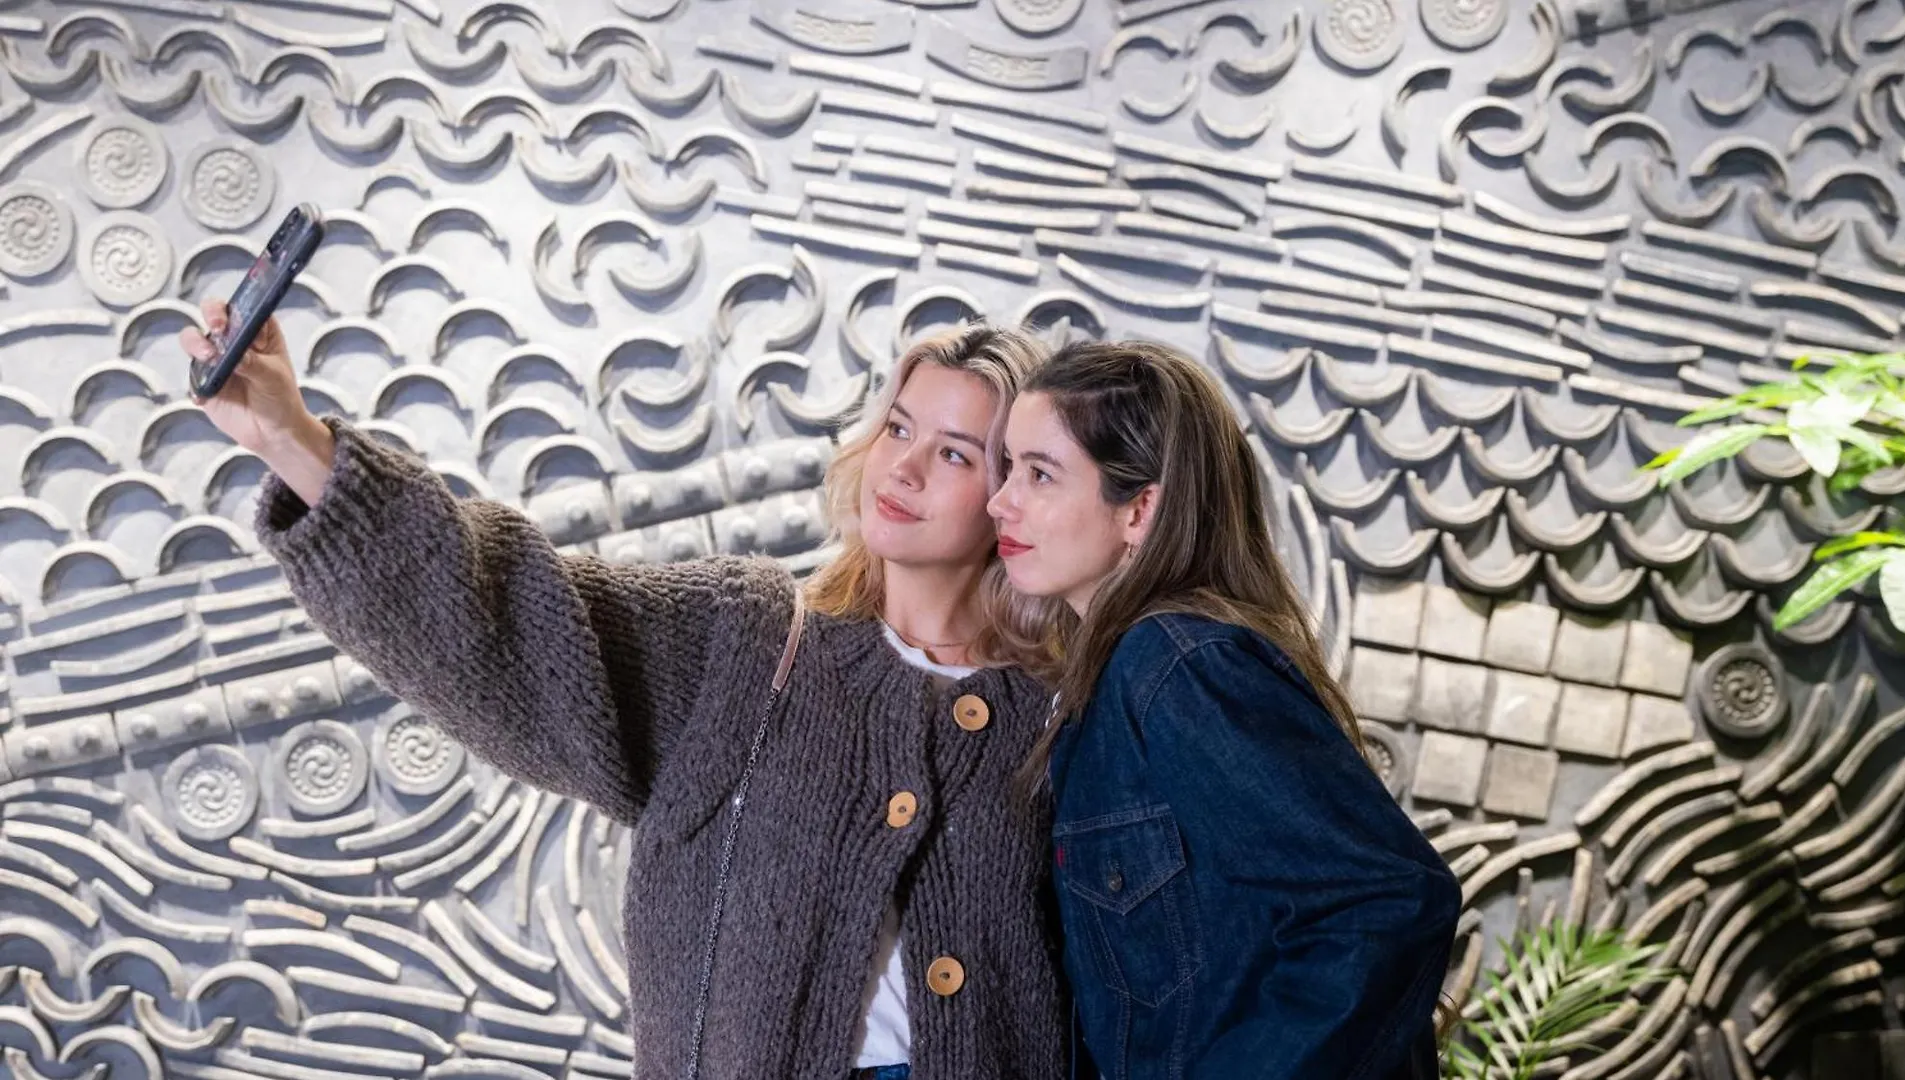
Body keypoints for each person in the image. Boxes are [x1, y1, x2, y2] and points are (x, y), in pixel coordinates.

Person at [180, 300, 1072, 1080]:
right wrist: (292, 439)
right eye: (899, 429)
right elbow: (510, 614)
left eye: (955, 454)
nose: (904, 469)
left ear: (1016, 492)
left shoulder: (1070, 710)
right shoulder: (749, 649)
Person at [987, 340, 1460, 1080]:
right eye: (1009, 466)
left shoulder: (1178, 665)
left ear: (1139, 509)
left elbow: (1385, 902)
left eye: (1040, 474)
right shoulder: (1114, 680)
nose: (1001, 500)